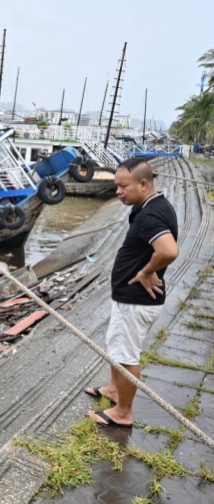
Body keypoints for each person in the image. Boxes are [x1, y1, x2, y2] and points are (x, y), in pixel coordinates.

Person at [85, 157, 179, 428]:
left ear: (143, 183)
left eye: (122, 186)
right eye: (116, 185)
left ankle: (123, 412)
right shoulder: (150, 205)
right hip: (128, 297)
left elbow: (169, 251)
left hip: (137, 300)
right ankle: (115, 390)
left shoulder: (151, 214)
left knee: (126, 355)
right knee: (116, 346)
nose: (117, 191)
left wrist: (148, 272)